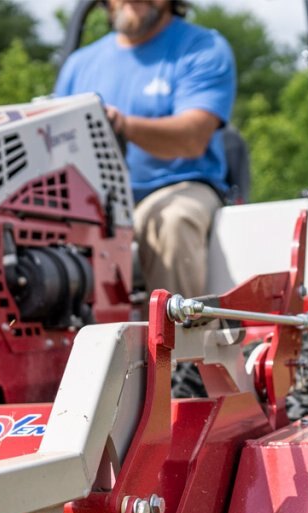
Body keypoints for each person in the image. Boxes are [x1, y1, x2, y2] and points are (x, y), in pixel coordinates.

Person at [55, 0, 236, 297]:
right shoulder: (79, 64)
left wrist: (123, 125)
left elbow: (193, 138)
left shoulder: (202, 48)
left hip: (182, 186)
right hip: (95, 201)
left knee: (171, 221)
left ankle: (182, 327)